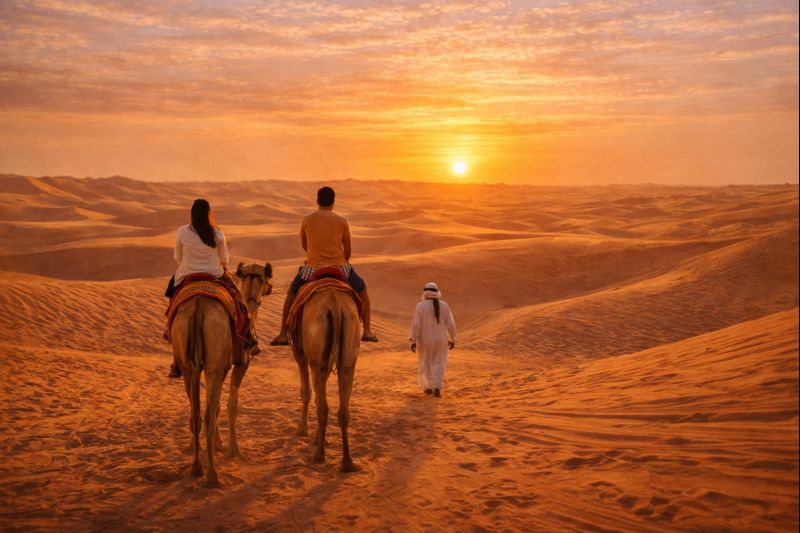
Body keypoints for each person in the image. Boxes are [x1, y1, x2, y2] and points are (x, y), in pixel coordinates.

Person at [270, 186, 378, 345]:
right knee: (362, 289)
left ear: (317, 201)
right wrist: (342, 261)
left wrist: (314, 256)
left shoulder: (307, 219)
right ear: (333, 202)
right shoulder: (342, 221)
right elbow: (348, 249)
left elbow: (304, 244)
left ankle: (283, 334)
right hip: (340, 267)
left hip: (312, 268)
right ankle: (367, 331)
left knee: (292, 293)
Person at [166, 199, 258, 378]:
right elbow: (224, 258)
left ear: (192, 214)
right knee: (239, 300)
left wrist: (190, 265)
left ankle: (172, 341)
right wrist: (217, 267)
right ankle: (248, 336)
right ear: (209, 213)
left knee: (173, 301)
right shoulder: (217, 233)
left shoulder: (182, 232)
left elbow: (177, 256)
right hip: (215, 274)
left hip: (187, 274)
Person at [409, 282, 456, 397]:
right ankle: (437, 387)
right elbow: (451, 324)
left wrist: (413, 340)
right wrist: (452, 338)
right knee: (439, 362)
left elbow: (416, 325)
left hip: (425, 339)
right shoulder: (445, 305)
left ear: (425, 292)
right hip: (441, 339)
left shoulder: (420, 306)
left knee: (426, 362)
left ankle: (428, 387)